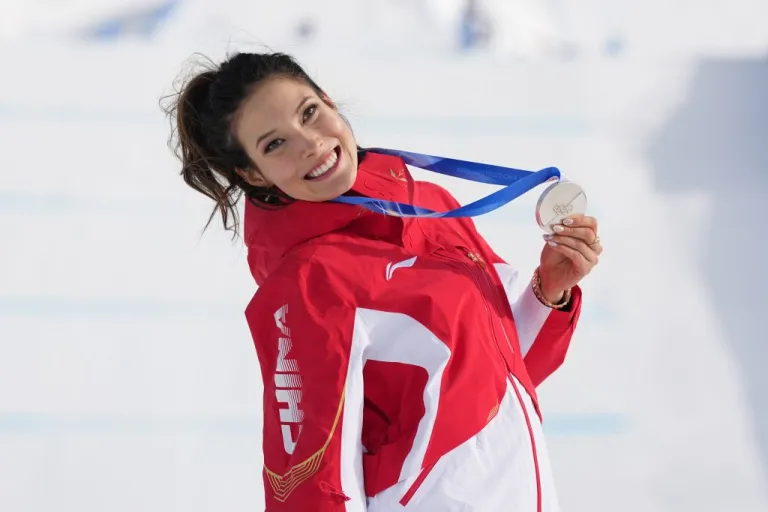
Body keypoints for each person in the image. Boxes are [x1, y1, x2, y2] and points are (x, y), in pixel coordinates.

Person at [163, 51, 602, 511]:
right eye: (275, 144)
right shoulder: (308, 283)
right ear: (253, 174)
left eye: (309, 113)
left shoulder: (431, 208)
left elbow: (505, 370)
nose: (309, 144)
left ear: (329, 102)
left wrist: (549, 291)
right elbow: (309, 483)